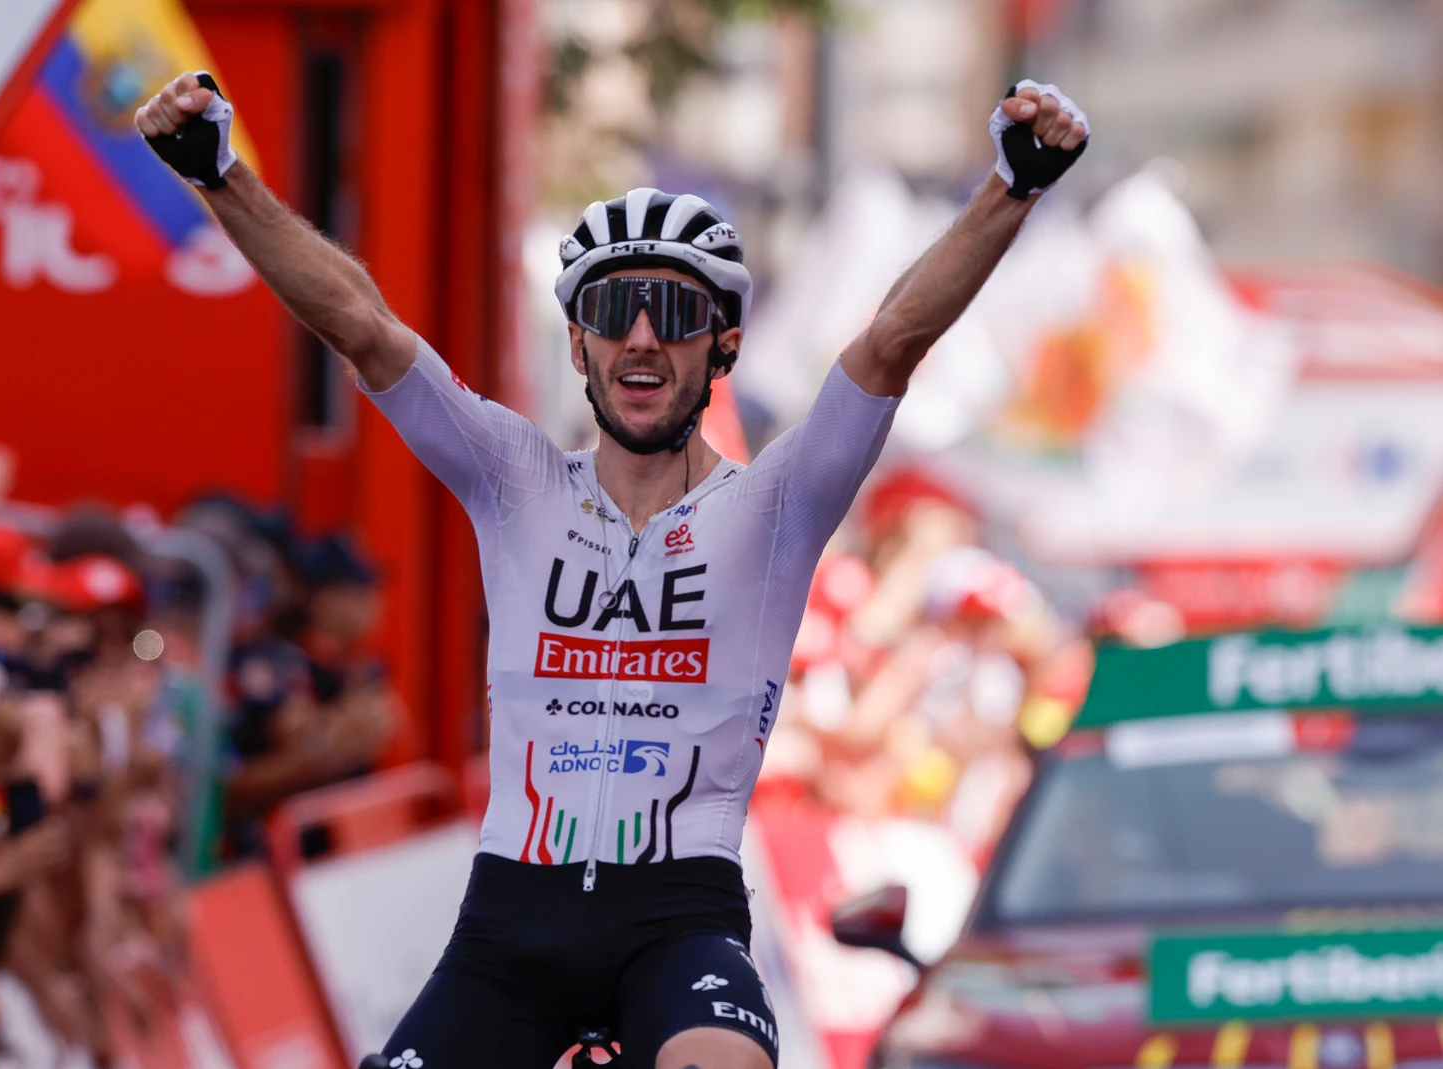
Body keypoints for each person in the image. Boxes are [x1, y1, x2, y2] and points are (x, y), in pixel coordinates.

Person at [136, 73, 1089, 1069]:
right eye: (615, 309)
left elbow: (892, 342)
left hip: (677, 919)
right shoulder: (513, 478)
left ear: (721, 344)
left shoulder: (773, 505)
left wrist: (1010, 187)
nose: (641, 336)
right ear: (579, 343)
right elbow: (359, 325)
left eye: (672, 313)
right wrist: (219, 173)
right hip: (510, 924)